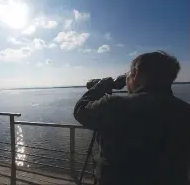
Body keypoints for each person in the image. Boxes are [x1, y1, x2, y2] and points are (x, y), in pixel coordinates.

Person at [73, 51, 190, 185]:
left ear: (137, 73)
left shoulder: (113, 105)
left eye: (129, 74)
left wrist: (100, 86)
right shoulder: (185, 111)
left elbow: (80, 110)